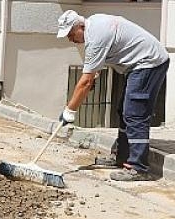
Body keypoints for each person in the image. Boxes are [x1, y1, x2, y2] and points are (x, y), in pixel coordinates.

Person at [57, 10, 169, 182]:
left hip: (149, 62)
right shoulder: (94, 23)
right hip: (136, 65)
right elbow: (97, 65)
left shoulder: (96, 38)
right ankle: (122, 157)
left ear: (79, 26)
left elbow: (85, 82)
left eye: (71, 34)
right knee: (123, 110)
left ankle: (139, 168)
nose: (70, 39)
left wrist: (69, 111)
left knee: (135, 113)